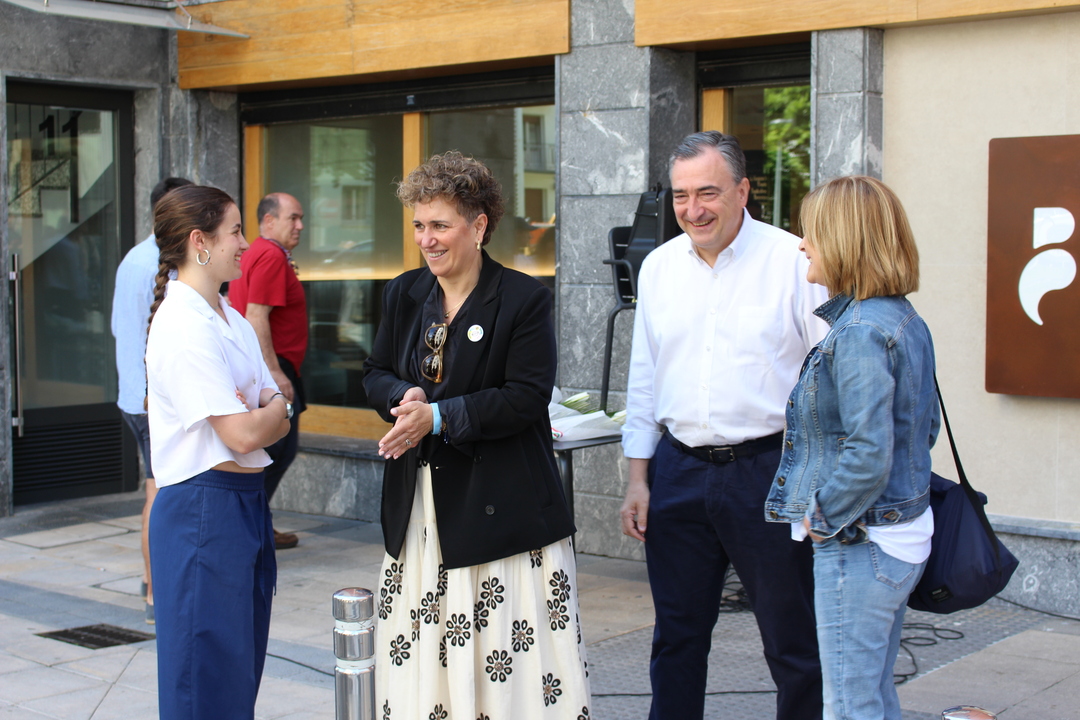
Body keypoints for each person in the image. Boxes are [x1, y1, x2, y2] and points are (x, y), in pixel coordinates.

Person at [363, 151, 590, 719]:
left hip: (501, 516)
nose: (427, 240)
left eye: (440, 225)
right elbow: (375, 371)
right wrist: (403, 397)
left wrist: (437, 418)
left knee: (504, 667)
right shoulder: (403, 292)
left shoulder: (524, 298)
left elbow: (525, 396)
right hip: (420, 512)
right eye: (419, 225)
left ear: (479, 225)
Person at [619, 131, 828, 720]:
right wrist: (638, 478)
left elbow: (829, 381)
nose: (693, 209)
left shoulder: (794, 262)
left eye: (707, 192)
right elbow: (644, 378)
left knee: (792, 639)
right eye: (681, 195)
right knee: (676, 636)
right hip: (678, 469)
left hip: (772, 472)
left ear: (742, 191)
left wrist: (819, 484)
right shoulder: (659, 267)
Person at [765, 175, 939, 720]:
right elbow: (923, 430)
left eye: (812, 232)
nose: (802, 244)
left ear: (845, 241)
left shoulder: (861, 331)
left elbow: (870, 452)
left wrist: (822, 517)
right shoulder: (900, 317)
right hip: (899, 531)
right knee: (875, 696)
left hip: (864, 539)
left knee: (850, 706)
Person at [145, 185, 292, 720]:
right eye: (235, 231)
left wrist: (269, 410)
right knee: (203, 683)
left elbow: (272, 412)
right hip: (202, 509)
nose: (246, 244)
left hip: (241, 502)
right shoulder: (184, 325)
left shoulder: (229, 318)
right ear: (200, 241)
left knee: (236, 676)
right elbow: (246, 433)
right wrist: (271, 410)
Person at [110, 175, 192, 624]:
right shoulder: (162, 264)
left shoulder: (131, 258)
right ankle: (156, 597)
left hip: (132, 396)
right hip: (151, 402)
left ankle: (152, 587)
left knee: (156, 491)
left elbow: (118, 329)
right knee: (159, 497)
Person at [228, 192, 307, 550]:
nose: (300, 225)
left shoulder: (261, 252)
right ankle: (251, 525)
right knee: (279, 449)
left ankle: (257, 523)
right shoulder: (271, 255)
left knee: (276, 449)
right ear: (269, 221)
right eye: (293, 218)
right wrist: (275, 373)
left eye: (300, 218)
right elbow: (256, 315)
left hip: (268, 364)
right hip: (274, 366)